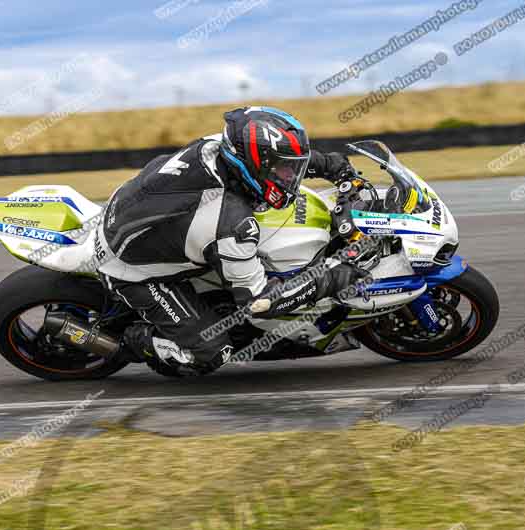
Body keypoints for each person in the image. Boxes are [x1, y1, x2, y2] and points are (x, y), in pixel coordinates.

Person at [94, 106, 366, 376]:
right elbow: (259, 303)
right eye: (285, 169)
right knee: (211, 354)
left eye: (292, 168)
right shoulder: (230, 224)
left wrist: (334, 167)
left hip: (136, 216)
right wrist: (332, 278)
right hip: (130, 269)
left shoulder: (221, 145)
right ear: (255, 166)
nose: (290, 176)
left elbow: (273, 159)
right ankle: (131, 343)